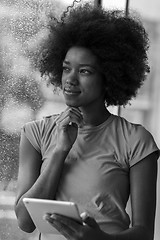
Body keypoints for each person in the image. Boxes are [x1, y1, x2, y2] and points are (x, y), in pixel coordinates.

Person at [15, 1, 160, 240]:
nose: (70, 80)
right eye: (66, 68)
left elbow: (144, 233)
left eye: (84, 71)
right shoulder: (35, 133)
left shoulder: (136, 140)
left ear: (109, 77)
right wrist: (60, 150)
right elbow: (25, 221)